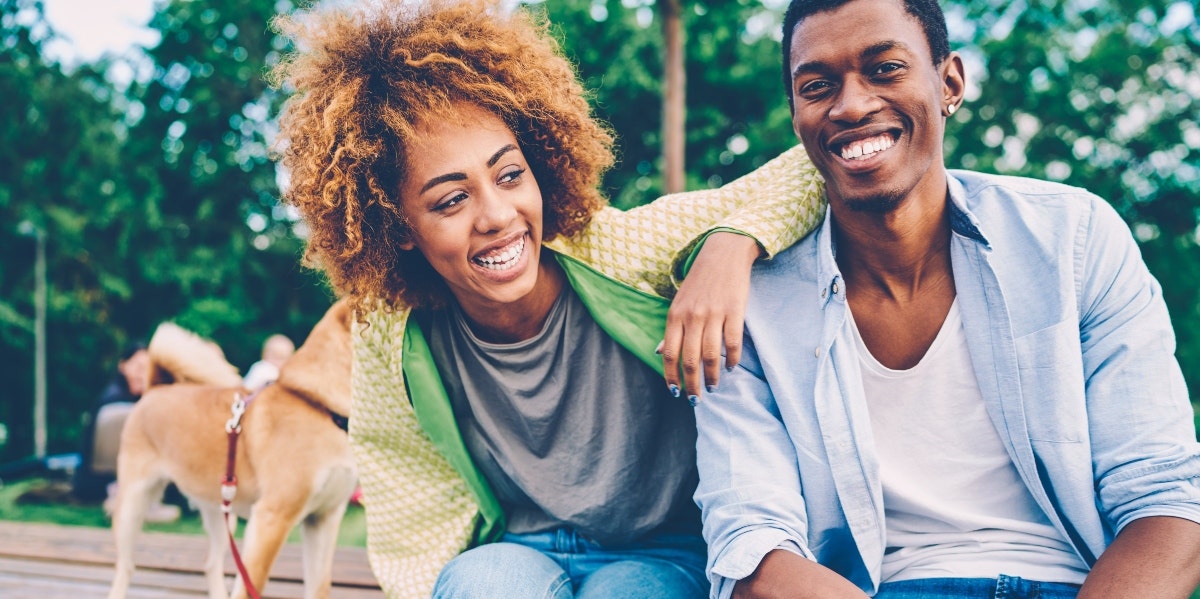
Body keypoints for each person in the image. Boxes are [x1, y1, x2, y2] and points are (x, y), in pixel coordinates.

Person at [270, 1, 823, 597]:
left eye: (509, 175)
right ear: (398, 226)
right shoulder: (393, 330)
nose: (497, 216)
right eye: (451, 200)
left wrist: (731, 243)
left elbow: (813, 167)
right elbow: (406, 490)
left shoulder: (620, 249)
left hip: (663, 550)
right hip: (520, 549)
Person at [693, 0, 1200, 598]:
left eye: (885, 69)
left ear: (949, 82)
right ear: (797, 114)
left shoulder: (1073, 240)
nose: (851, 105)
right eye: (817, 85)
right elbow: (752, 549)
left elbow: (1166, 499)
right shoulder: (744, 305)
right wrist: (725, 245)